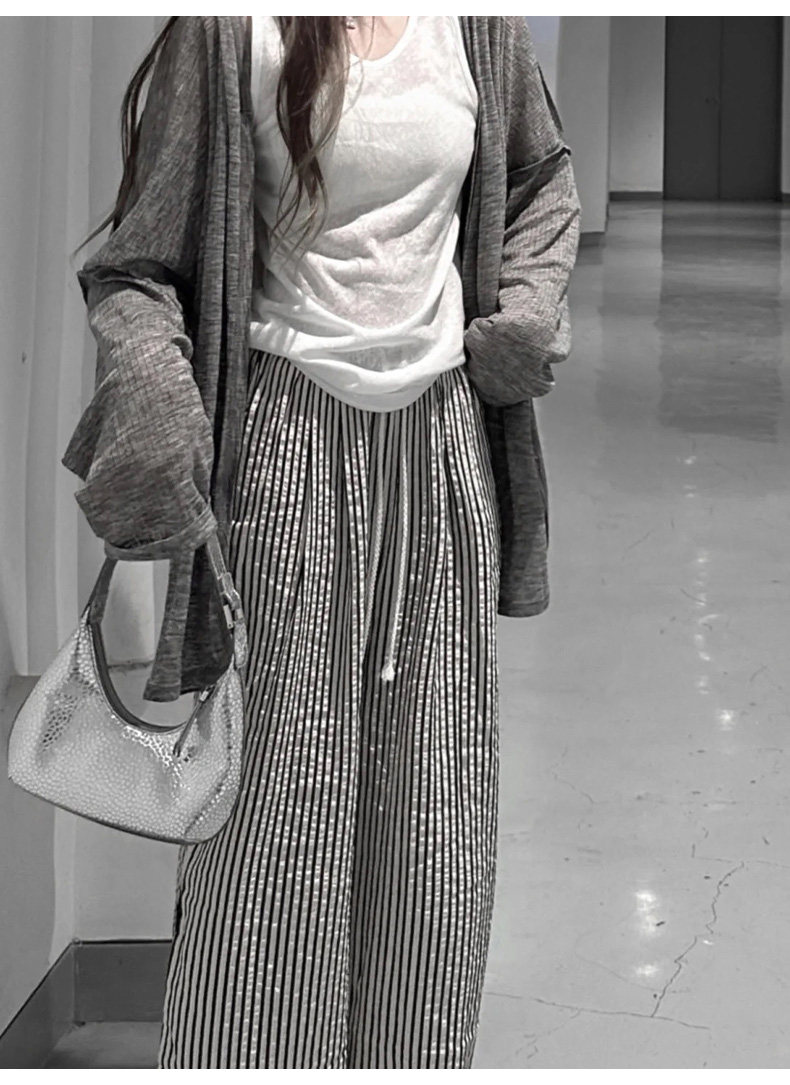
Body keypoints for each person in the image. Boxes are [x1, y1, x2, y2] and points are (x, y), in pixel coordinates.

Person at [66, 15, 580, 1069]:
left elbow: (541, 178)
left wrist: (527, 307)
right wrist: (157, 392)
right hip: (286, 455)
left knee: (435, 817)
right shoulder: (230, 31)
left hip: (440, 454)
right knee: (271, 827)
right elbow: (136, 264)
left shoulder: (477, 27)